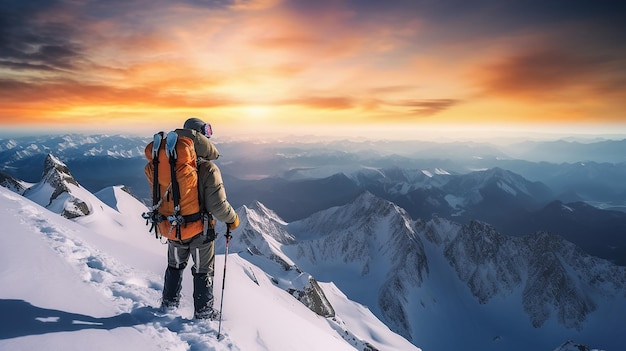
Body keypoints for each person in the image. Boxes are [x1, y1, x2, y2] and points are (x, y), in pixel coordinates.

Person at [160, 117, 240, 319]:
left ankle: (169, 304)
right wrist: (233, 219)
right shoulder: (208, 169)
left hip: (173, 227)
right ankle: (204, 312)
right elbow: (218, 205)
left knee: (175, 265)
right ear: (202, 137)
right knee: (203, 270)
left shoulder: (170, 165)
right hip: (200, 230)